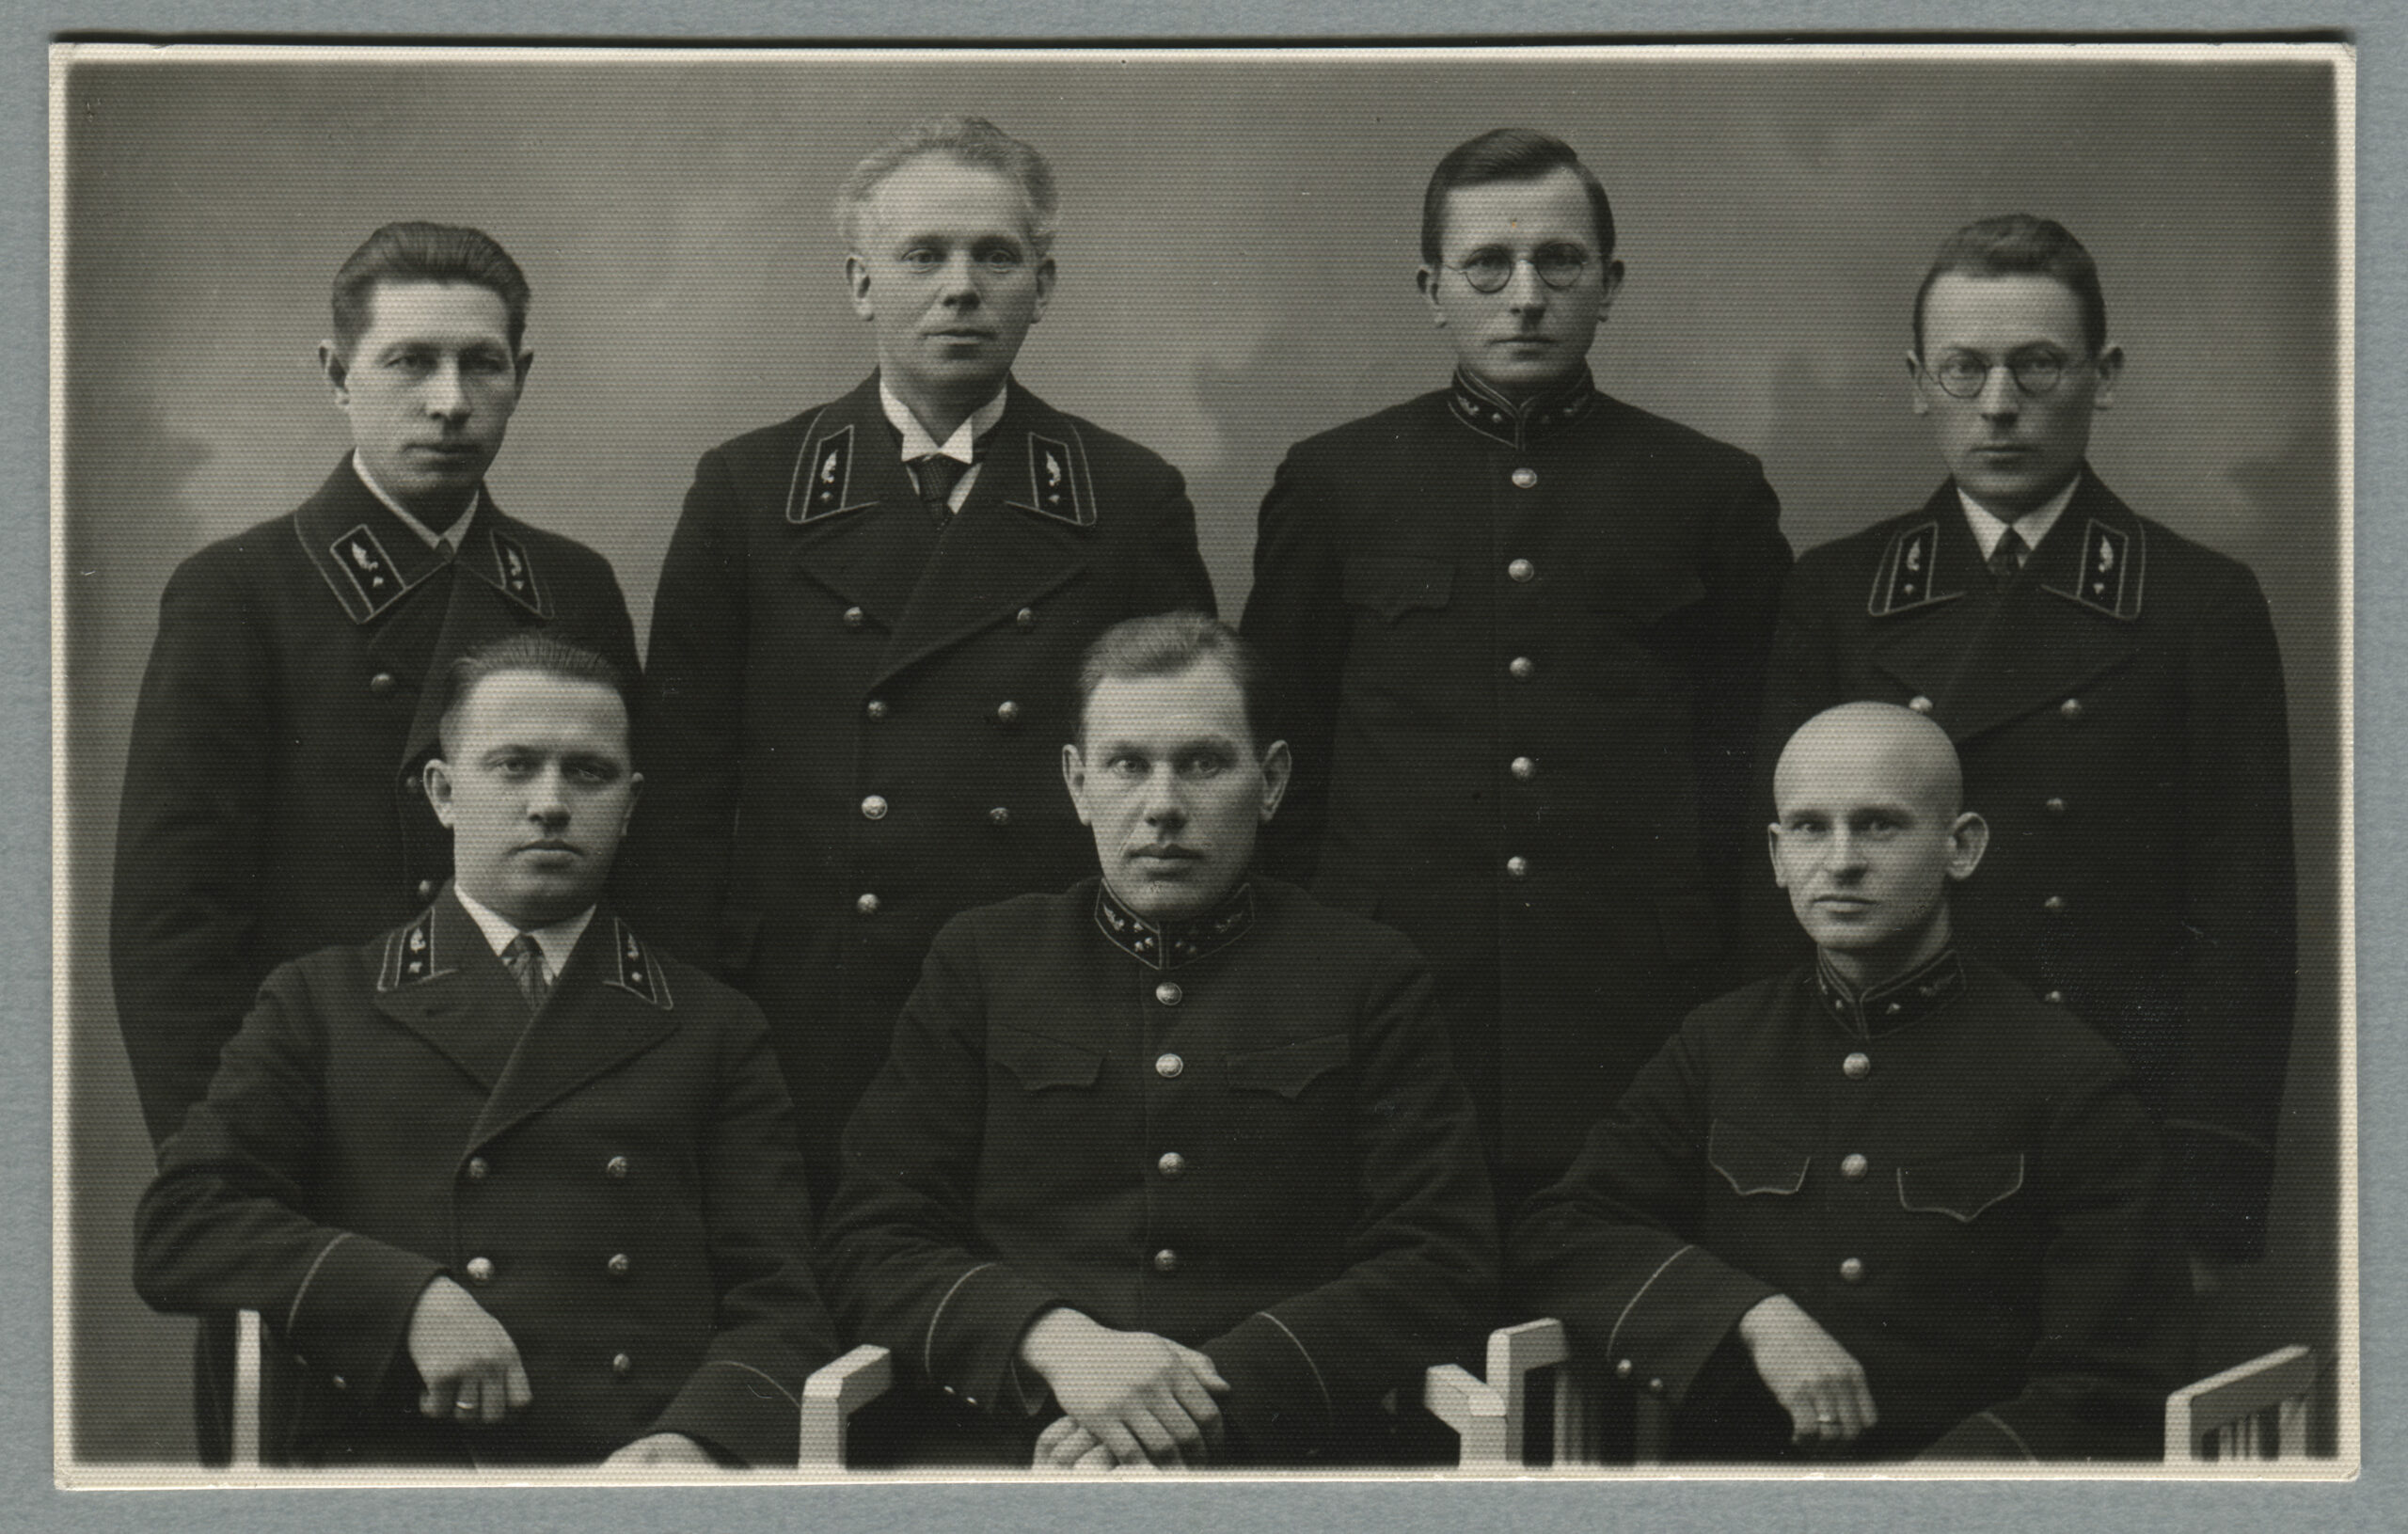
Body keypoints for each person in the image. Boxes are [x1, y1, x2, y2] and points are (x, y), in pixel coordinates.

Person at [108, 222, 642, 1459]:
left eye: (482, 363)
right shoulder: (239, 594)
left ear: (521, 374)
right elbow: (172, 935)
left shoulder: (573, 587)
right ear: (335, 371)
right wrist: (257, 1209)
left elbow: (623, 884)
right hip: (330, 1190)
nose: (450, 400)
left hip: (556, 1169)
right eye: (409, 361)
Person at [626, 116, 1216, 1201]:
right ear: (860, 284)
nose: (960, 288)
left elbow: (1185, 787)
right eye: (922, 255)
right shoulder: (748, 492)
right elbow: (679, 801)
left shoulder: (1129, 500)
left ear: (1043, 285)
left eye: (995, 256)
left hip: (1047, 1015)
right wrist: (691, 1024)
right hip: (801, 1010)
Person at [1240, 128, 1791, 1203]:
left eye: (1559, 262)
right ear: (1431, 289)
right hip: (1391, 992)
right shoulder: (1335, 482)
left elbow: (1753, 768)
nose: (1526, 296)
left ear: (1609, 284)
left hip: (1634, 999)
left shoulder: (1708, 491)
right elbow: (1274, 763)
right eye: (1488, 265)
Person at [134, 635, 837, 1469]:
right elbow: (183, 1223)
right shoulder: (322, 1002)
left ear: (631, 803)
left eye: (589, 772)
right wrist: (409, 1301)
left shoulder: (715, 1026)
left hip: (636, 1474)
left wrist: (696, 1441)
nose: (551, 803)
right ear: (443, 791)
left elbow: (782, 1302)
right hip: (400, 1471)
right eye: (514, 766)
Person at [1753, 214, 2296, 1286]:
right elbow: (1772, 897)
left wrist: (2205, 1204)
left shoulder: (2199, 603)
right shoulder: (1835, 593)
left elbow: (2245, 928)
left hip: (2106, 1134)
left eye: (2037, 365)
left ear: (2105, 375)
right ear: (1919, 383)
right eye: (1964, 368)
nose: (1998, 404)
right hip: (1879, 1114)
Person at [820, 613, 1494, 1469]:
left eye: (1203, 763)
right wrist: (1063, 1347)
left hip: (1279, 1459)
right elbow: (871, 1239)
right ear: (1078, 783)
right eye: (1128, 764)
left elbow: (1441, 1261)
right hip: (1017, 1455)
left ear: (1272, 781)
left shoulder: (1365, 973)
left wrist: (1207, 1401)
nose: (1163, 805)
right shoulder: (983, 961)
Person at [1511, 703, 2190, 1463]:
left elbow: (2113, 1384)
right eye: (1810, 827)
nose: (1840, 861)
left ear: (1961, 846)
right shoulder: (1719, 1044)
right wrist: (1754, 1315)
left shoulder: (2068, 1075)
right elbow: (1561, 1232)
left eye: (1878, 825)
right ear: (1777, 855)